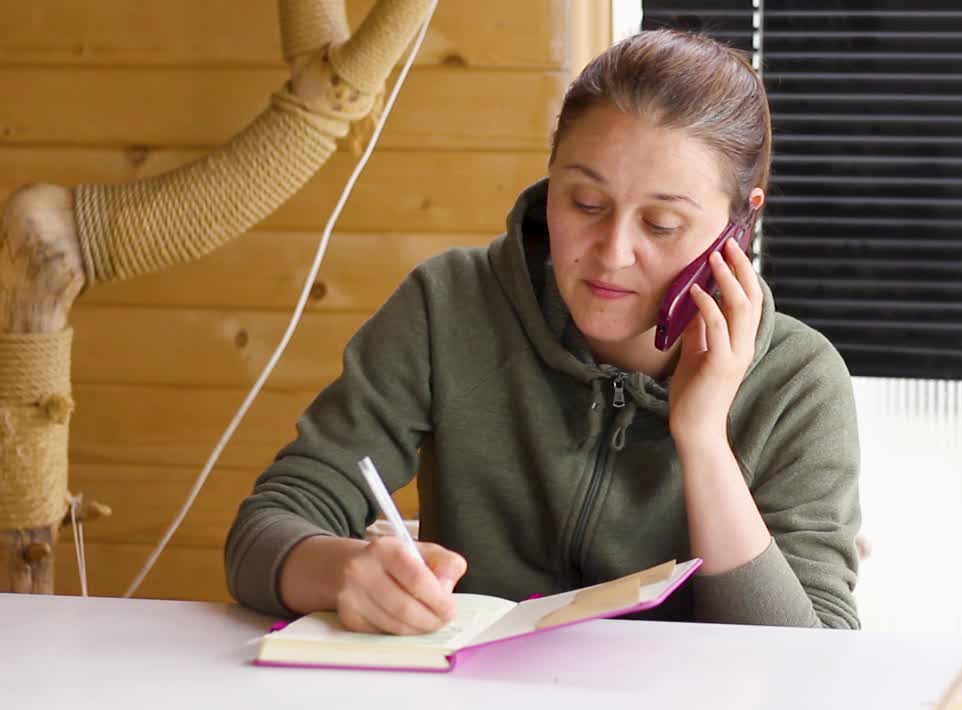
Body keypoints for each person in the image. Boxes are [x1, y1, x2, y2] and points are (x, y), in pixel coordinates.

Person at [224, 29, 862, 634]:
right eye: (585, 204)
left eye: (662, 224)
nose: (612, 253)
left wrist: (700, 438)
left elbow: (809, 652)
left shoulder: (799, 381)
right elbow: (266, 528)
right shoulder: (447, 306)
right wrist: (342, 575)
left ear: (739, 226)